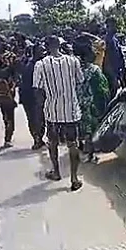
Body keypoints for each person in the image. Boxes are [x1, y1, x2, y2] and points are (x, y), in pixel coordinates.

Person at [33, 35, 85, 191]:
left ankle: (56, 172)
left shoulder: (41, 64)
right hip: (71, 110)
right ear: (60, 45)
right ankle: (74, 178)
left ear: (46, 47)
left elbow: (37, 89)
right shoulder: (73, 60)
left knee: (53, 142)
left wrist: (41, 108)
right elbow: (80, 81)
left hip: (52, 111)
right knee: (72, 143)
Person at [74, 41, 110, 162]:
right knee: (91, 131)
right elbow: (102, 91)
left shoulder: (74, 68)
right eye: (91, 51)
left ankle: (80, 149)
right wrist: (104, 106)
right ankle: (90, 155)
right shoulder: (94, 70)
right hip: (91, 106)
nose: (94, 53)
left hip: (76, 105)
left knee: (80, 129)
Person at [19, 42, 46, 150]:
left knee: (40, 118)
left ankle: (39, 138)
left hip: (34, 95)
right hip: (30, 96)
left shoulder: (37, 63)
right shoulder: (32, 65)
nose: (44, 52)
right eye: (41, 51)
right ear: (36, 53)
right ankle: (37, 139)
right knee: (34, 119)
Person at [103, 17, 126, 98]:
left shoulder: (115, 39)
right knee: (111, 97)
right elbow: (106, 59)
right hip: (111, 74)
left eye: (114, 25)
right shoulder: (107, 40)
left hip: (117, 72)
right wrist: (113, 77)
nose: (114, 27)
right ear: (107, 27)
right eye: (112, 25)